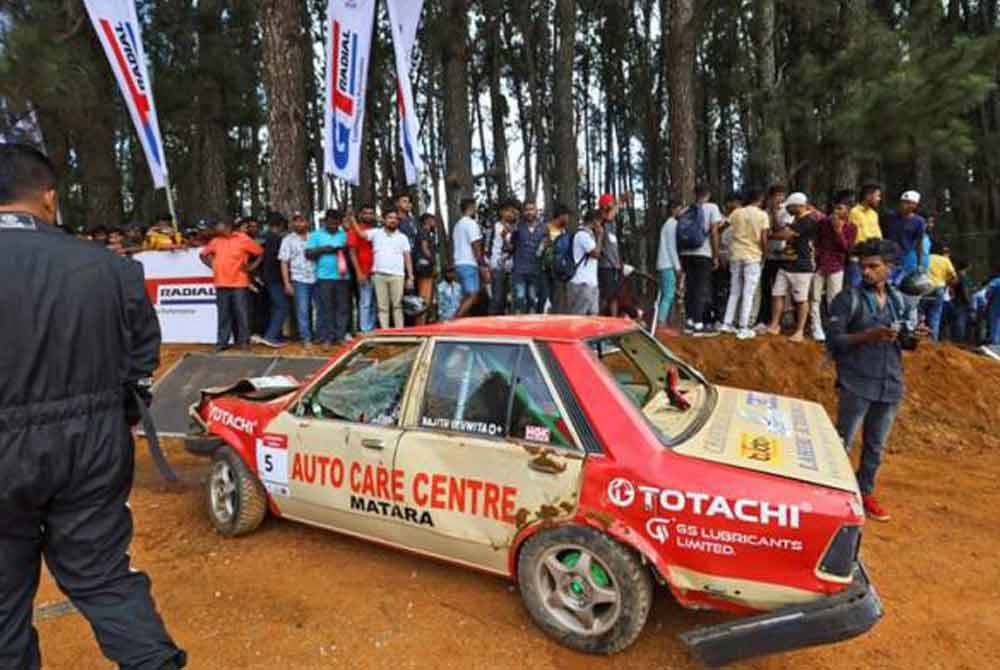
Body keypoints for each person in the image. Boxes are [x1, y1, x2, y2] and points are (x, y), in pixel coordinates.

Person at [0, 143, 186, 669]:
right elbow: (142, 353)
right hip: (92, 443)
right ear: (49, 198)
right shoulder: (108, 267)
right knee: (105, 578)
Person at [827, 238, 927, 522]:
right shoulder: (847, 298)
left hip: (890, 382)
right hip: (856, 382)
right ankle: (835, 497)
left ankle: (865, 492)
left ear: (890, 268)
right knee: (842, 442)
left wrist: (915, 337)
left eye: (873, 267)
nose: (866, 272)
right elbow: (834, 340)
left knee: (876, 445)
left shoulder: (900, 300)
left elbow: (906, 345)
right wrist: (868, 336)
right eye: (863, 267)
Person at [200, 218, 263, 351]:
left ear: (227, 226)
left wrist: (251, 267)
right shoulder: (215, 241)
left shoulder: (243, 238)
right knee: (223, 314)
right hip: (220, 282)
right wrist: (213, 266)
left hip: (239, 282)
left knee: (242, 314)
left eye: (218, 225)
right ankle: (222, 342)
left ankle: (244, 342)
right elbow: (203, 255)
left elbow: (260, 252)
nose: (216, 228)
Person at [767, 192, 820, 342]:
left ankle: (800, 331)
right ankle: (774, 325)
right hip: (787, 263)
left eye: (790, 207)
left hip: (802, 266)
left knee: (801, 299)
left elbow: (786, 235)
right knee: (777, 293)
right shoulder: (797, 219)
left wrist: (767, 235)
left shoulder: (808, 221)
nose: (788, 210)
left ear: (798, 206)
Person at [721, 188, 769, 339]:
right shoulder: (762, 215)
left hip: (736, 254)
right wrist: (764, 255)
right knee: (749, 292)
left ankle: (727, 323)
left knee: (735, 290)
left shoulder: (737, 212)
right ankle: (744, 326)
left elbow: (723, 227)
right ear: (760, 199)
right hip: (753, 256)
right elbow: (764, 239)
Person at [352, 210, 413, 328]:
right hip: (379, 275)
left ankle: (399, 332)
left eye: (395, 218)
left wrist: (410, 276)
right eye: (390, 217)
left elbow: (407, 257)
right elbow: (361, 234)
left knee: (397, 305)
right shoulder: (376, 233)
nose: (393, 220)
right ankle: (385, 332)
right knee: (382, 306)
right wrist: (353, 220)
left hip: (397, 275)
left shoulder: (402, 237)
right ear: (384, 220)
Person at [811, 192, 858, 342]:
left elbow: (847, 249)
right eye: (835, 208)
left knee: (834, 299)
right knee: (815, 297)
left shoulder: (851, 227)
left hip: (837, 265)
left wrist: (838, 231)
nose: (836, 212)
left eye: (840, 208)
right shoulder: (823, 223)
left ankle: (833, 329)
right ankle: (816, 328)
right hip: (820, 264)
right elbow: (816, 241)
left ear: (848, 210)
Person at [680, 184, 723, 336]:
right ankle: (698, 324)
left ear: (695, 194)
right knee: (700, 288)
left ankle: (689, 321)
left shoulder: (687, 209)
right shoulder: (712, 208)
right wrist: (716, 255)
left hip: (685, 253)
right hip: (702, 253)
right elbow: (714, 232)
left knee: (690, 287)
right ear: (708, 194)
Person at [307, 209, 351, 345]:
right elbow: (308, 254)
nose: (333, 226)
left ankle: (341, 336)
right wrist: (324, 249)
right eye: (331, 223)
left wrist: (344, 250)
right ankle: (328, 337)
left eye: (336, 223)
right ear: (325, 221)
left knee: (343, 307)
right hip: (324, 277)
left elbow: (351, 252)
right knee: (327, 308)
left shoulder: (344, 234)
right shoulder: (316, 235)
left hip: (343, 276)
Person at [279, 213, 317, 347]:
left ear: (307, 222)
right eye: (296, 221)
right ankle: (306, 337)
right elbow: (284, 262)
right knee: (303, 309)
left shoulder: (315, 237)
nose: (299, 224)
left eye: (302, 221)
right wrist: (287, 283)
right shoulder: (288, 240)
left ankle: (319, 335)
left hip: (317, 277)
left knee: (320, 308)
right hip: (299, 278)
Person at [756, 184, 790, 327]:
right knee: (765, 288)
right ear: (770, 197)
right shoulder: (763, 212)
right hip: (767, 255)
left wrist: (775, 213)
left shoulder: (786, 212)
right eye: (776, 195)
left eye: (782, 195)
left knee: (779, 289)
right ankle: (763, 318)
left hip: (781, 255)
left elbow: (781, 231)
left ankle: (780, 319)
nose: (779, 198)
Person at [254, 212, 289, 348]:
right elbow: (279, 261)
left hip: (265, 278)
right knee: (282, 306)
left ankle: (275, 334)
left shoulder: (262, 239)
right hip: (275, 278)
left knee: (274, 306)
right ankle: (271, 336)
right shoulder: (277, 240)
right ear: (281, 225)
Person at [452, 197, 489, 318]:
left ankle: (460, 322)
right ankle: (454, 321)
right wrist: (482, 265)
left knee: (466, 295)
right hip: (469, 263)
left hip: (459, 263)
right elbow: (476, 246)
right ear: (471, 207)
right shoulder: (471, 224)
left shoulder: (457, 225)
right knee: (473, 294)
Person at [510, 201, 547, 314]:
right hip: (519, 271)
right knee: (519, 300)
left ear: (536, 211)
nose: (529, 212)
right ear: (523, 212)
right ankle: (518, 328)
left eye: (532, 209)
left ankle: (531, 328)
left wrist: (545, 246)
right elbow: (511, 247)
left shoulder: (543, 228)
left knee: (533, 301)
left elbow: (546, 249)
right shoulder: (517, 227)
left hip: (536, 271)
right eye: (527, 210)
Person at [882, 191, 927, 284]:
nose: (904, 205)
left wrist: (920, 264)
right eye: (903, 201)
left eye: (908, 202)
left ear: (914, 205)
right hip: (884, 256)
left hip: (901, 258)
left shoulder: (919, 221)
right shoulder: (889, 216)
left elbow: (919, 244)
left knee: (895, 284)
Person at [566, 209, 604, 316]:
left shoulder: (590, 235)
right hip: (582, 283)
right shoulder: (582, 235)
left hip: (591, 283)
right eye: (599, 221)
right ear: (594, 221)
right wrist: (600, 235)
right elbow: (596, 254)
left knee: (593, 316)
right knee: (579, 317)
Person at [347, 204, 378, 333]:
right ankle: (365, 330)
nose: (369, 216)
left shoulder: (377, 230)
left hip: (377, 270)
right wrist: (359, 272)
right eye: (366, 213)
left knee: (375, 302)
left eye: (371, 213)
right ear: (360, 215)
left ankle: (372, 328)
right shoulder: (354, 230)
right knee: (365, 301)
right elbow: (352, 252)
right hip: (364, 270)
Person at [486, 199, 519, 315]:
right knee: (497, 298)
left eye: (513, 211)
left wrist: (506, 238)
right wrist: (486, 265)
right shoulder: (494, 227)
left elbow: (512, 248)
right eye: (508, 211)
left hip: (510, 268)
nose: (511, 214)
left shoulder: (514, 229)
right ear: (501, 212)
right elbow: (487, 247)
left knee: (507, 299)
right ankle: (490, 324)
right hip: (496, 266)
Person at [847, 184, 883, 287]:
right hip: (858, 257)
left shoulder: (874, 214)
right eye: (877, 196)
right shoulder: (854, 212)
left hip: (873, 257)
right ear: (868, 196)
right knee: (855, 286)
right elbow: (852, 236)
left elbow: (878, 236)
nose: (879, 199)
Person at [655, 201, 684, 330]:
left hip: (665, 263)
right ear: (674, 209)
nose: (681, 211)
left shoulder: (667, 224)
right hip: (667, 264)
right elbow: (671, 247)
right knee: (668, 294)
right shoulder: (672, 224)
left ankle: (663, 321)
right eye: (679, 208)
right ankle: (661, 322)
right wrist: (677, 266)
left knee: (667, 293)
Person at [922, 241, 957, 341]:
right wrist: (948, 285)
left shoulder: (925, 258)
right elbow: (954, 277)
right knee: (935, 316)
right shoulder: (945, 260)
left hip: (924, 288)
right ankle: (933, 341)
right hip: (939, 289)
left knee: (920, 314)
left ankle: (919, 340)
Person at [596, 193, 625, 316]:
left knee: (615, 296)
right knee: (606, 296)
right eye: (611, 204)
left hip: (615, 266)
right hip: (605, 266)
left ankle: (614, 320)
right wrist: (620, 202)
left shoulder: (612, 224)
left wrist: (620, 262)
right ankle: (599, 319)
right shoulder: (601, 222)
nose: (614, 208)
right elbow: (608, 215)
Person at [540, 203, 571, 314]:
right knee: (544, 299)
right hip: (545, 271)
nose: (568, 219)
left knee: (557, 301)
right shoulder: (545, 228)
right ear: (561, 216)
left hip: (559, 272)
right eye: (567, 216)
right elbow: (539, 250)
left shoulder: (565, 232)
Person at [413, 212, 440, 325]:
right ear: (427, 220)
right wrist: (433, 262)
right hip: (425, 268)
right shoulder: (424, 232)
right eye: (432, 219)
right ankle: (420, 323)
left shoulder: (429, 233)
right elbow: (425, 248)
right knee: (424, 298)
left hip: (427, 267)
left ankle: (423, 322)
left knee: (427, 298)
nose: (434, 222)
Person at [944, 258, 974, 344]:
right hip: (962, 302)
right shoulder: (963, 277)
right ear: (968, 266)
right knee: (960, 323)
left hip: (956, 301)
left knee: (957, 322)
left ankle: (956, 340)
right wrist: (968, 302)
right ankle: (959, 342)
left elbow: (951, 288)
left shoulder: (957, 276)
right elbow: (965, 290)